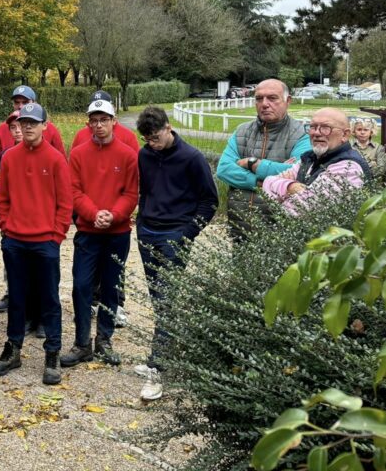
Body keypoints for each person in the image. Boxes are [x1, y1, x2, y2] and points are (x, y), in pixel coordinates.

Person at [135, 106, 218, 402]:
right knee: (158, 298)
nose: (152, 144)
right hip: (148, 232)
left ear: (169, 128)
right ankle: (169, 355)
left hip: (175, 235)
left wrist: (187, 234)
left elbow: (210, 201)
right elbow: (144, 191)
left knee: (168, 300)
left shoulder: (193, 158)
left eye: (155, 137)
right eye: (147, 139)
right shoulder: (144, 155)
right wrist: (141, 222)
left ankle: (158, 367)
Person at [0, 103, 73, 386]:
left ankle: (52, 353)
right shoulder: (9, 157)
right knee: (17, 298)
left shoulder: (56, 159)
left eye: (33, 123)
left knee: (49, 299)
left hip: (45, 242)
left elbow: (65, 203)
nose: (27, 127)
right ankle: (13, 349)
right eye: (23, 122)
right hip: (15, 240)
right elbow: (4, 198)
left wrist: (56, 236)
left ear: (44, 126)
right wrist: (5, 228)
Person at [61, 98, 138, 369]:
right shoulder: (80, 153)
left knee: (111, 286)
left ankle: (104, 339)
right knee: (81, 284)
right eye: (94, 120)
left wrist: (114, 215)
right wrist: (94, 214)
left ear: (114, 122)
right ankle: (82, 342)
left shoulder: (128, 154)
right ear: (88, 124)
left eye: (104, 120)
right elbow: (74, 190)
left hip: (117, 231)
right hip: (88, 230)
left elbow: (131, 193)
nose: (99, 125)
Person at [216, 79, 311, 239]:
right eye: (259, 98)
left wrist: (251, 164)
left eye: (272, 98)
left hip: (282, 231)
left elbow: (299, 173)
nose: (264, 104)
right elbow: (224, 170)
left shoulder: (301, 135)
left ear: (288, 101)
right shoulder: (242, 131)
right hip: (240, 227)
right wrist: (263, 182)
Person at [263, 108, 370, 216]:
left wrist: (282, 194)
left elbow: (302, 210)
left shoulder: (349, 167)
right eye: (312, 127)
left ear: (345, 135)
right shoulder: (309, 159)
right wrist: (290, 186)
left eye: (325, 128)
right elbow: (267, 184)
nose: (316, 133)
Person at [0, 85, 65, 165]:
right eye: (17, 102)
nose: (20, 106)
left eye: (25, 102)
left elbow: (62, 161)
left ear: (34, 103)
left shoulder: (49, 128)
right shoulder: (2, 129)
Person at [70, 90, 140, 153]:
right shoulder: (80, 135)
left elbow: (136, 163)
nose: (99, 125)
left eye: (104, 119)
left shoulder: (128, 136)